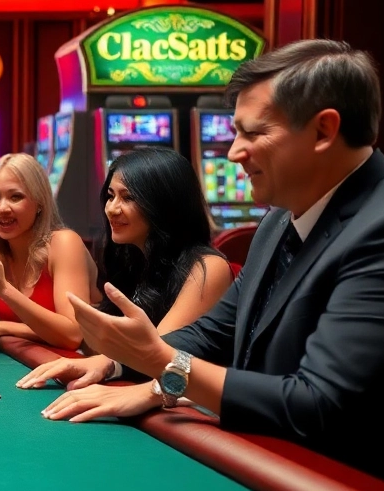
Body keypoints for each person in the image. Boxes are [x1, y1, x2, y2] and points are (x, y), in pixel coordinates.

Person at [43, 39, 384, 490]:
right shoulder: (278, 220)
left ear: (323, 131)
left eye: (253, 133)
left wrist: (163, 364)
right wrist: (115, 362)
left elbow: (317, 404)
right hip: (263, 461)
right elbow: (214, 333)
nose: (233, 152)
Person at [17, 148, 232, 389]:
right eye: (111, 196)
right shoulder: (131, 259)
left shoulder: (208, 267)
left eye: (128, 198)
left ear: (164, 203)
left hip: (193, 402)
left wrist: (106, 362)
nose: (112, 208)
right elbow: (100, 346)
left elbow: (160, 352)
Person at [0, 153, 96, 351]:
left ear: (39, 203)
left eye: (16, 197)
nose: (2, 208)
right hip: (33, 360)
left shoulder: (64, 243)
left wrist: (5, 296)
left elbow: (72, 336)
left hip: (90, 363)